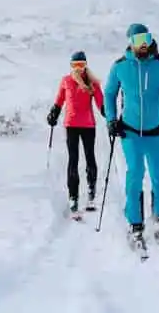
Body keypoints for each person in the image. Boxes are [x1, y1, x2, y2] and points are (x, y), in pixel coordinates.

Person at [103, 23, 159, 247]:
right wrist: (111, 120)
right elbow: (109, 93)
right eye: (138, 40)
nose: (143, 44)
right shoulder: (120, 67)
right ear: (130, 42)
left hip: (157, 133)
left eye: (146, 39)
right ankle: (135, 223)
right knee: (135, 175)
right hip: (130, 132)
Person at [47, 50, 104, 214]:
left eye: (81, 65)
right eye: (75, 65)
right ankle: (73, 196)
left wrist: (108, 114)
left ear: (86, 65)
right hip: (71, 125)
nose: (78, 68)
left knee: (89, 157)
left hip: (88, 125)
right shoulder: (66, 81)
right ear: (71, 66)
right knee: (73, 160)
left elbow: (100, 103)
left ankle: (92, 188)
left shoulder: (92, 83)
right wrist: (54, 112)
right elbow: (59, 100)